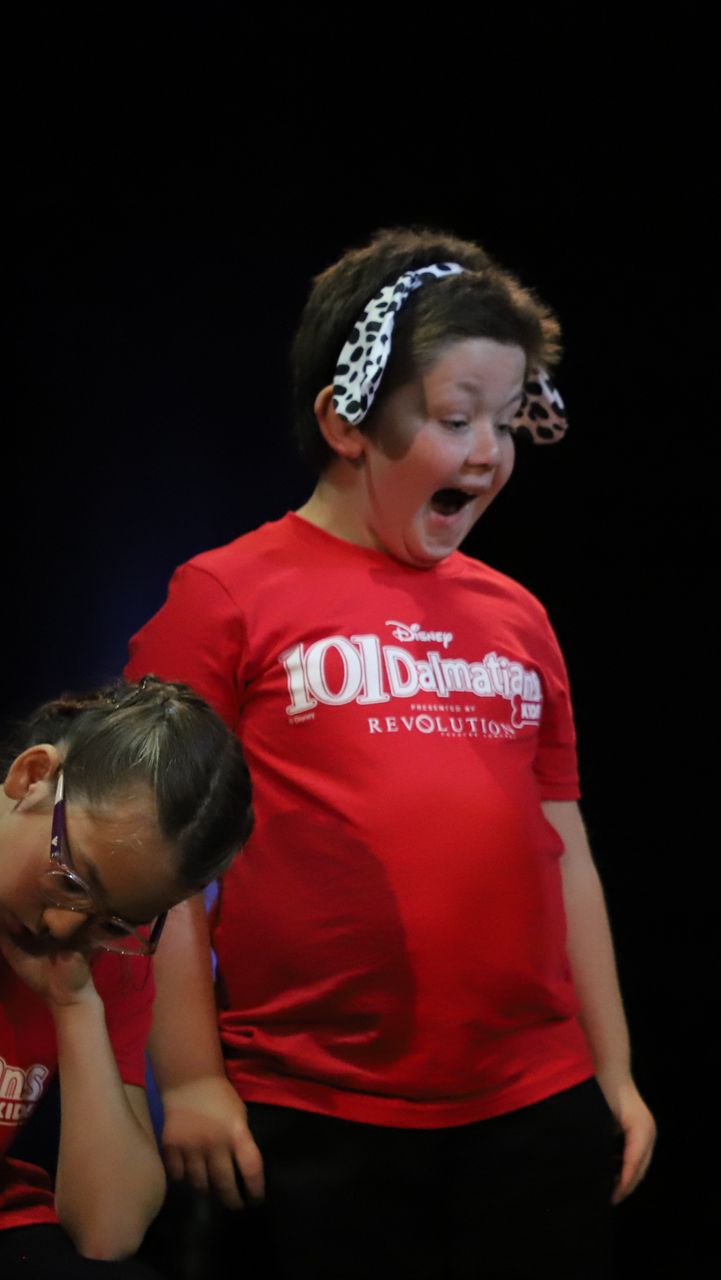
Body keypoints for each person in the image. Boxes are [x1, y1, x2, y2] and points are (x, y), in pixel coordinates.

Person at [126, 229, 654, 1279]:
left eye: (504, 423)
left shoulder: (518, 616)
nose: (488, 453)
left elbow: (565, 845)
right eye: (456, 419)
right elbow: (157, 861)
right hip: (313, 1113)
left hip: (530, 1106)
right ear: (346, 420)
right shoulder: (227, 595)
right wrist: (189, 1077)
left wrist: (614, 1068)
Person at [0, 678, 252, 1277]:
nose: (64, 927)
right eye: (70, 879)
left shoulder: (104, 958)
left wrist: (75, 1007)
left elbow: (108, 1230)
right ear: (32, 778)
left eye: (116, 921)